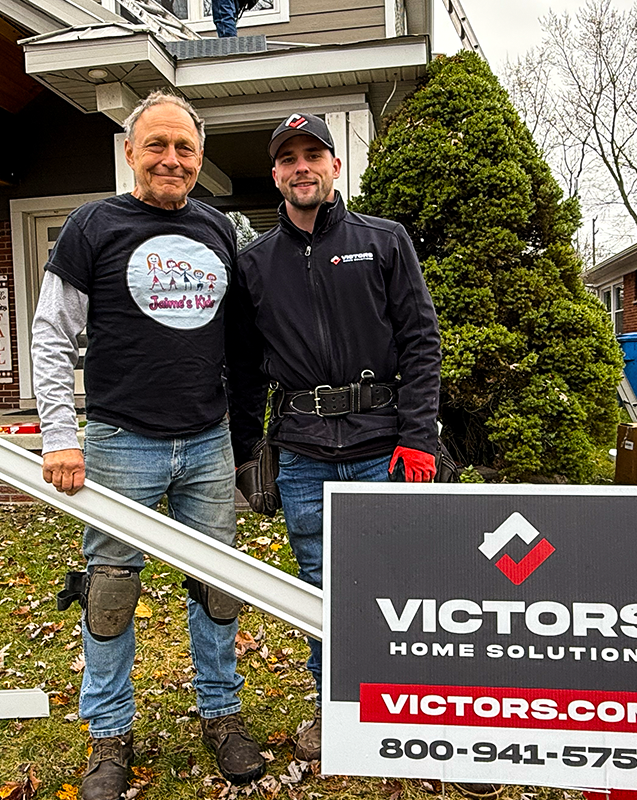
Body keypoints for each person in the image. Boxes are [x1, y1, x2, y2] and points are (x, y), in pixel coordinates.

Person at [32, 90, 266, 799]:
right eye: (157, 145)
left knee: (218, 589)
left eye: (185, 148)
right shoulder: (91, 225)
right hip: (116, 440)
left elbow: (247, 345)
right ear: (130, 151)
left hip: (206, 440)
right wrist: (59, 435)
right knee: (109, 592)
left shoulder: (220, 231)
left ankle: (221, 716)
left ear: (200, 159)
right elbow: (51, 333)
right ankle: (109, 735)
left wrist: (246, 441)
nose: (171, 159)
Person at [228, 112, 442, 761]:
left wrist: (420, 437)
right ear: (275, 175)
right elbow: (241, 369)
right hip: (303, 458)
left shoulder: (385, 241)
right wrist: (244, 455)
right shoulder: (254, 264)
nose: (301, 167)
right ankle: (339, 713)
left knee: (401, 589)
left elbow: (421, 342)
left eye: (312, 154)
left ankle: (415, 716)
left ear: (334, 166)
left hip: (384, 449)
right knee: (321, 594)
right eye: (288, 158)